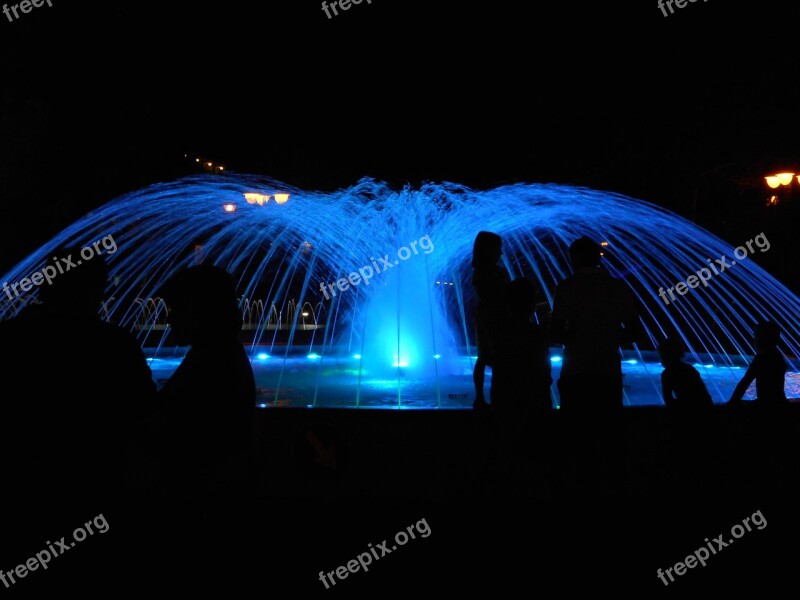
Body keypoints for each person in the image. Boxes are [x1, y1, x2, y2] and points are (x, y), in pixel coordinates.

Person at [0, 244, 158, 590]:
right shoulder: (113, 345)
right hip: (96, 488)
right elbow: (146, 412)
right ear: (96, 288)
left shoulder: (9, 339)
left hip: (20, 492)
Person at [149, 264, 257, 519]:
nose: (169, 319)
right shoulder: (216, 354)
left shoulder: (212, 362)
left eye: (176, 309)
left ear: (201, 311)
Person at [550, 236, 642, 411]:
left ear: (573, 259)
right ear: (598, 258)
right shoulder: (617, 288)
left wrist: (580, 338)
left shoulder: (566, 288)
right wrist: (607, 338)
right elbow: (636, 331)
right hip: (608, 370)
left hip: (575, 370)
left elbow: (556, 333)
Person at [489, 277, 553, 498]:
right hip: (535, 399)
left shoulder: (498, 330)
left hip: (505, 398)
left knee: (508, 450)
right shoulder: (537, 333)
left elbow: (489, 361)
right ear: (531, 304)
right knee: (535, 450)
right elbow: (542, 366)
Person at [471, 231, 511, 412]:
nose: (501, 253)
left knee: (489, 358)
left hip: (492, 316)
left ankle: (485, 397)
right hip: (490, 318)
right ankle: (487, 398)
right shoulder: (485, 272)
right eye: (497, 249)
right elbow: (493, 295)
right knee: (492, 357)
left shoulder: (489, 271)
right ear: (486, 250)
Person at [728, 321, 788, 405]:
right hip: (780, 403)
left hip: (767, 406)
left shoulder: (762, 358)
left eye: (756, 336)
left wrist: (731, 403)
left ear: (764, 339)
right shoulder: (777, 355)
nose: (754, 340)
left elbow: (745, 382)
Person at [657, 337, 713, 408]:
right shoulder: (690, 369)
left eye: (660, 356)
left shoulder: (667, 374)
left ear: (664, 356)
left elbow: (668, 400)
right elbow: (704, 394)